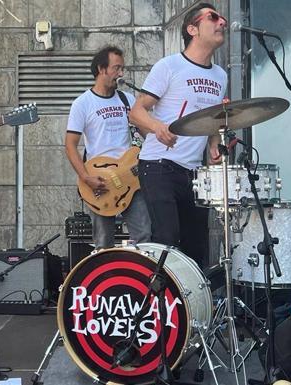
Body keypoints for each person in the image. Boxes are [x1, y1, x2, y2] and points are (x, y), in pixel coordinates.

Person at [129, 3, 228, 264]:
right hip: (159, 166)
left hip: (194, 172)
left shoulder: (220, 76)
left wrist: (214, 145)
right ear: (192, 28)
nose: (222, 22)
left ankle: (190, 304)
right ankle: (161, 301)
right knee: (167, 240)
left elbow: (212, 121)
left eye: (223, 18)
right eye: (214, 17)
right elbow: (136, 111)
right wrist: (157, 127)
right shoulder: (169, 66)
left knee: (197, 247)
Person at [65, 46, 151, 249]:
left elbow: (145, 133)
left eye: (122, 68)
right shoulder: (82, 104)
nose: (121, 74)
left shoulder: (127, 100)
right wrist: (86, 177)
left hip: (131, 178)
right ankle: (105, 280)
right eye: (116, 68)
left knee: (145, 236)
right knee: (103, 242)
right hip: (101, 181)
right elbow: (70, 145)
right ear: (101, 69)